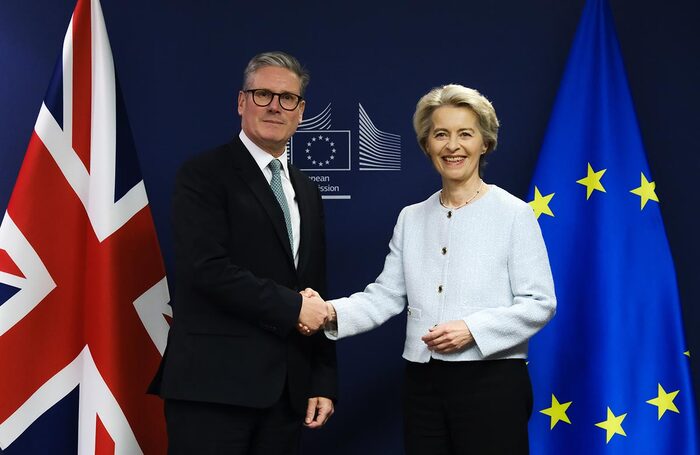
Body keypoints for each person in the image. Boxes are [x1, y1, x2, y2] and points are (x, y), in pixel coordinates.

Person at [303, 84, 556, 454]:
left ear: (484, 143)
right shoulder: (411, 217)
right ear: (427, 145)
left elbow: (540, 303)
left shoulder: (515, 213)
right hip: (423, 381)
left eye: (465, 134)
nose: (453, 146)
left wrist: (472, 329)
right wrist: (329, 311)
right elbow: (386, 295)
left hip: (492, 382)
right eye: (441, 134)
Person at [150, 51, 337, 455]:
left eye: (287, 98)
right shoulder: (202, 174)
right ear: (241, 102)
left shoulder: (306, 190)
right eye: (262, 94)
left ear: (301, 111)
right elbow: (207, 269)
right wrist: (292, 308)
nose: (275, 105)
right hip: (212, 390)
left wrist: (321, 379)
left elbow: (314, 289)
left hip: (287, 393)